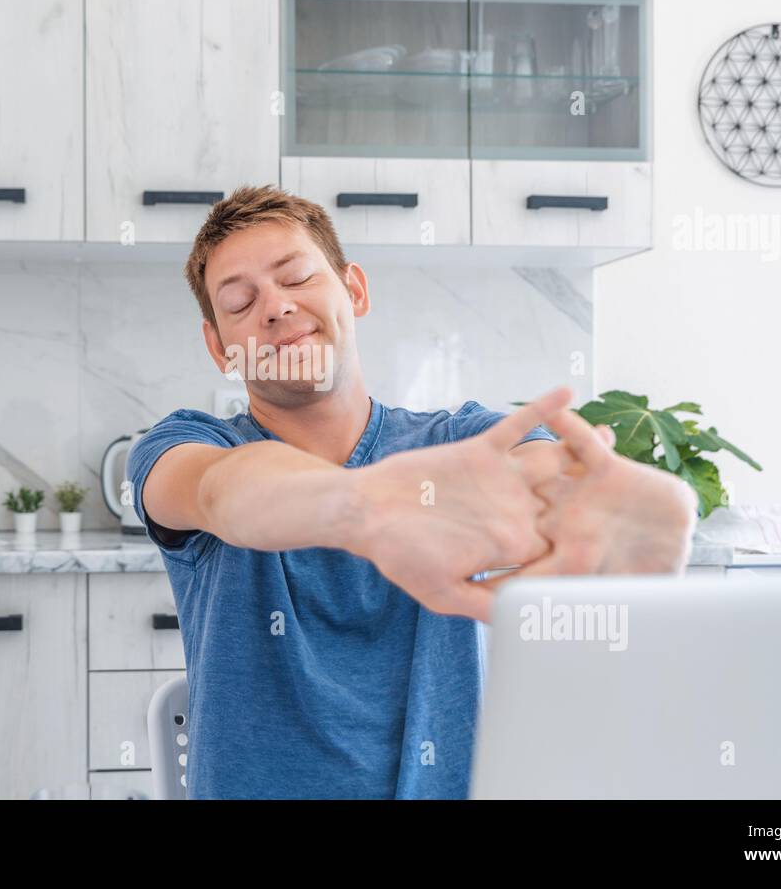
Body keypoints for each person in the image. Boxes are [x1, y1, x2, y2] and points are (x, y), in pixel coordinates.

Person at [127, 184, 697, 798]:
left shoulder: (462, 440)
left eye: (296, 278)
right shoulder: (184, 446)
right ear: (220, 348)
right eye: (240, 303)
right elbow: (221, 492)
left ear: (355, 290)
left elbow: (541, 479)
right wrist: (367, 507)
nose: (275, 307)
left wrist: (588, 513)